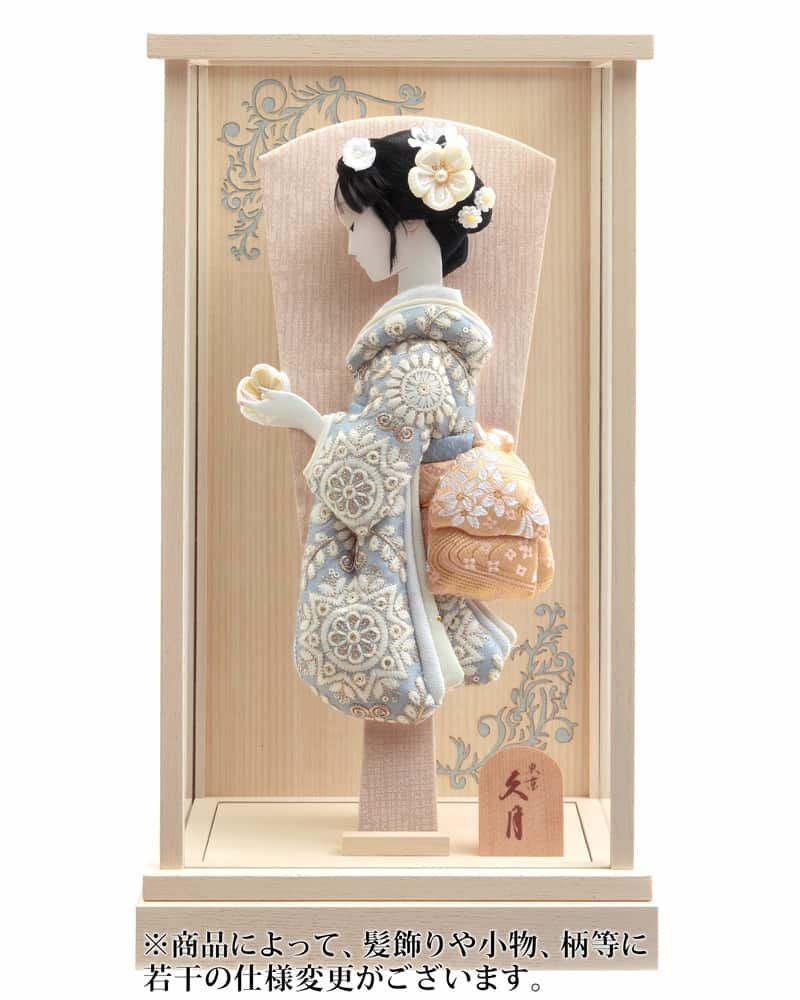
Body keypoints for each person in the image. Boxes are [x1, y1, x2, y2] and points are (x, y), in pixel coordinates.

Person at [237, 123, 516, 724]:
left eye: (354, 226)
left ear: (407, 224)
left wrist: (302, 417)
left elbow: (378, 471)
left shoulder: (418, 355)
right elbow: (388, 444)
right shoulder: (424, 341)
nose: (350, 247)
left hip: (410, 540)